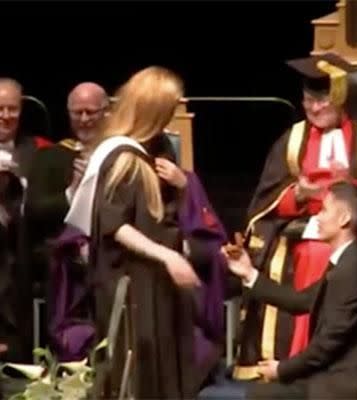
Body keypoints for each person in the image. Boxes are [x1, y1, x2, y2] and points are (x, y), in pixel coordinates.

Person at [236, 52, 357, 383]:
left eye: (322, 101)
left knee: (334, 256)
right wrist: (299, 195)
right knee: (309, 253)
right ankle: (296, 357)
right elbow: (264, 204)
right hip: (298, 234)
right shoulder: (291, 142)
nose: (314, 108)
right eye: (308, 100)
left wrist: (352, 196)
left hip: (354, 235)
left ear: (340, 98)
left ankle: (333, 357)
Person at [63, 66, 224, 399]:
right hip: (133, 285)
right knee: (139, 375)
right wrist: (168, 256)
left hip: (155, 285)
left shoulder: (149, 154)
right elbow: (115, 225)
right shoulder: (122, 157)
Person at [224, 180, 357, 399]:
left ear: (344, 219)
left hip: (350, 382)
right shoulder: (348, 257)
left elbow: (327, 344)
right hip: (339, 372)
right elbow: (301, 300)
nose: (317, 217)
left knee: (261, 395)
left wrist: (282, 369)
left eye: (324, 210)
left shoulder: (352, 269)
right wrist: (249, 273)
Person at [24, 82, 109, 290]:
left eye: (91, 112)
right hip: (63, 252)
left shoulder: (120, 154)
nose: (84, 119)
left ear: (106, 113)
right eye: (77, 113)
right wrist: (72, 192)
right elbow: (34, 209)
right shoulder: (49, 156)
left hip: (111, 246)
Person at [0, 77, 51, 363]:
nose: (6, 117)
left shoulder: (40, 150)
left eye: (12, 109)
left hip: (24, 255)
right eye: (0, 109)